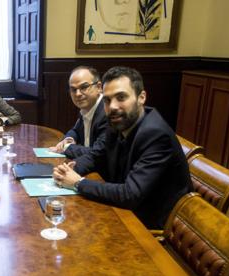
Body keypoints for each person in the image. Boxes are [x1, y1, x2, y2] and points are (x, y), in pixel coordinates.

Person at [52, 66, 191, 230]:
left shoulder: (156, 135)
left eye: (121, 97)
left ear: (141, 97)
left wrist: (78, 183)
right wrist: (70, 169)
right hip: (124, 209)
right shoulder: (118, 122)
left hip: (146, 223)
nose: (113, 107)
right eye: (107, 100)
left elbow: (130, 194)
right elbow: (97, 156)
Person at [48, 66, 108, 159]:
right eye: (73, 89)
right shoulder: (87, 107)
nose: (78, 94)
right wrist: (69, 139)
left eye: (84, 87)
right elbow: (75, 130)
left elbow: (99, 153)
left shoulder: (107, 112)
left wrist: (67, 147)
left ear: (99, 87)